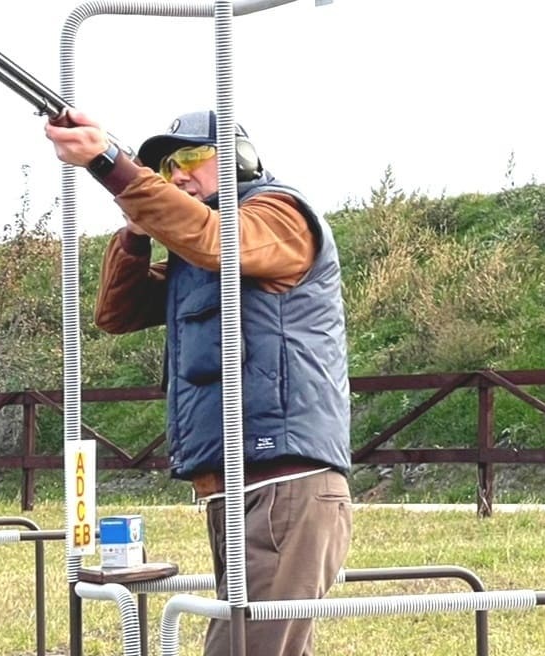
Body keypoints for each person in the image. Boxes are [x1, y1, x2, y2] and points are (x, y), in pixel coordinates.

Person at [44, 108, 352, 656]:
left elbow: (214, 240)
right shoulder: (201, 255)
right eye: (164, 168)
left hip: (283, 484)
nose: (176, 174)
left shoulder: (278, 215)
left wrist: (112, 165)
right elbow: (117, 311)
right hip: (235, 491)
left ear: (238, 158)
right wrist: (138, 229)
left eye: (190, 158)